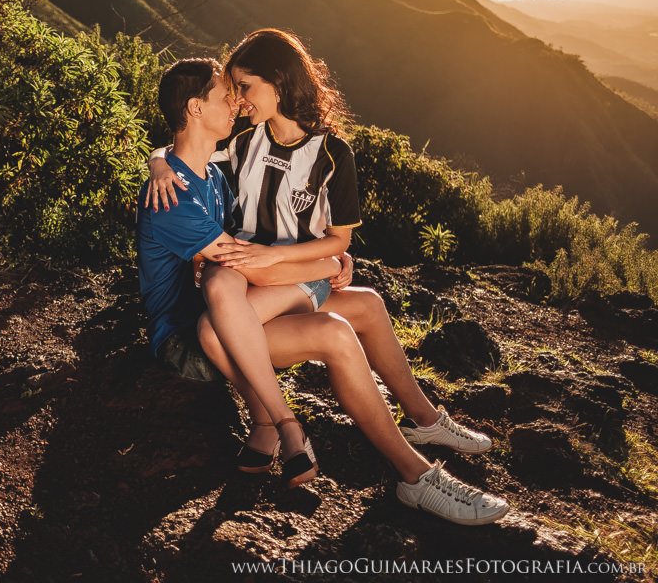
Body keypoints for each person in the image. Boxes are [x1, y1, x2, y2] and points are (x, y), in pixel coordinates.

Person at [136, 54, 509, 525]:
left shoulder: (210, 176)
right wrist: (324, 263)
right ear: (195, 107)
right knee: (315, 325)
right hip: (191, 337)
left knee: (366, 305)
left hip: (231, 314)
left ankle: (423, 423)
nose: (234, 102)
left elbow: (183, 164)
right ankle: (413, 476)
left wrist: (157, 161)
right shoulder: (176, 195)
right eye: (225, 95)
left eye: (242, 89)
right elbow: (253, 266)